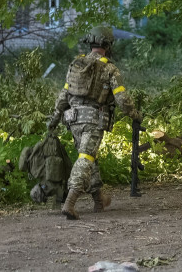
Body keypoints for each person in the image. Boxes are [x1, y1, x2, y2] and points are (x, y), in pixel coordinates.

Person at [47, 26, 141, 220]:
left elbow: (64, 94)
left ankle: (99, 200)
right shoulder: (109, 68)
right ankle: (70, 202)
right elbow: (122, 100)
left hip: (72, 120)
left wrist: (54, 119)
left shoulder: (77, 64)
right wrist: (135, 115)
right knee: (86, 158)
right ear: (108, 44)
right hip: (93, 120)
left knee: (90, 158)